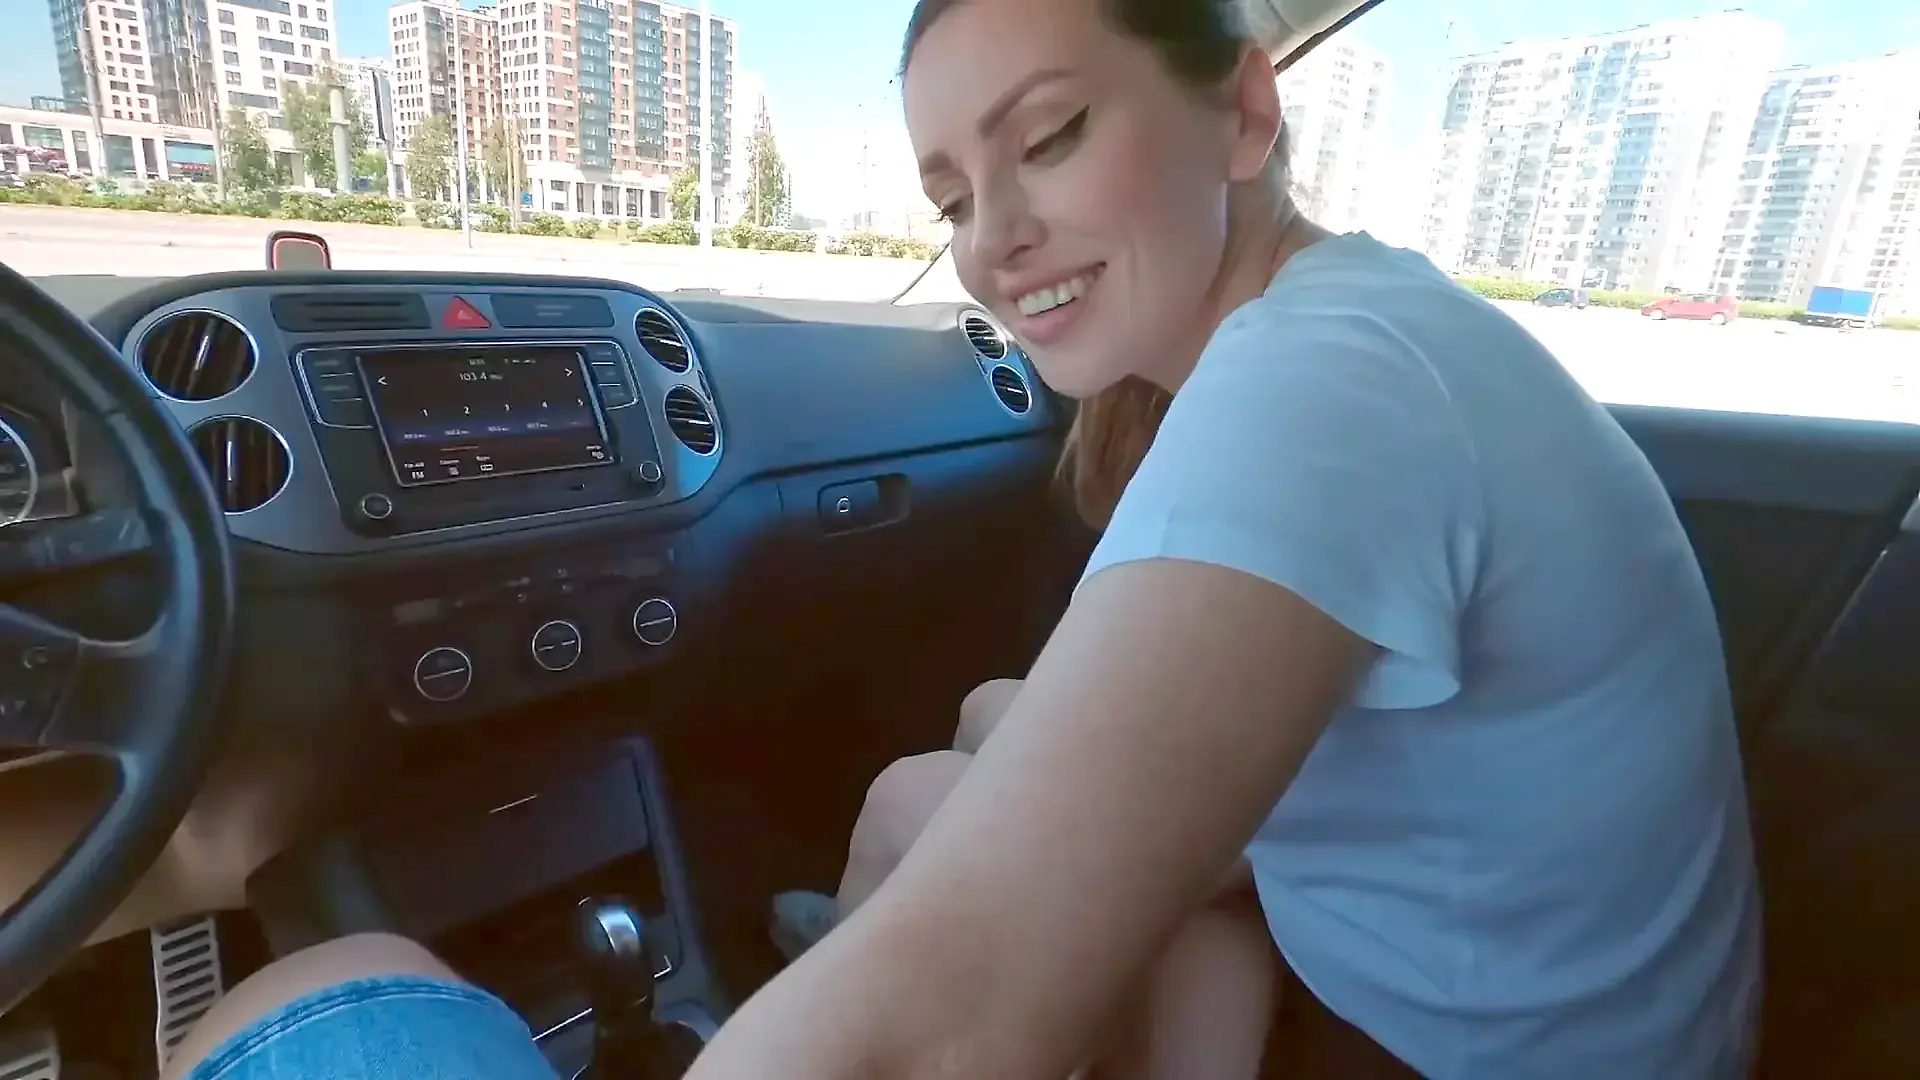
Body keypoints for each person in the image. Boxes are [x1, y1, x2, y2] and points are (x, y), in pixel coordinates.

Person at [162, 0, 1760, 1078]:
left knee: (312, 982)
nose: (992, 243)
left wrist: (892, 996)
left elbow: (951, 1025)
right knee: (960, 760)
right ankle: (812, 962)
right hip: (1529, 1012)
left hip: (1426, 1046)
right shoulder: (1363, 327)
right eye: (948, 195)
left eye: (1049, 137)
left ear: (1243, 111)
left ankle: (810, 975)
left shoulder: (1318, 392)